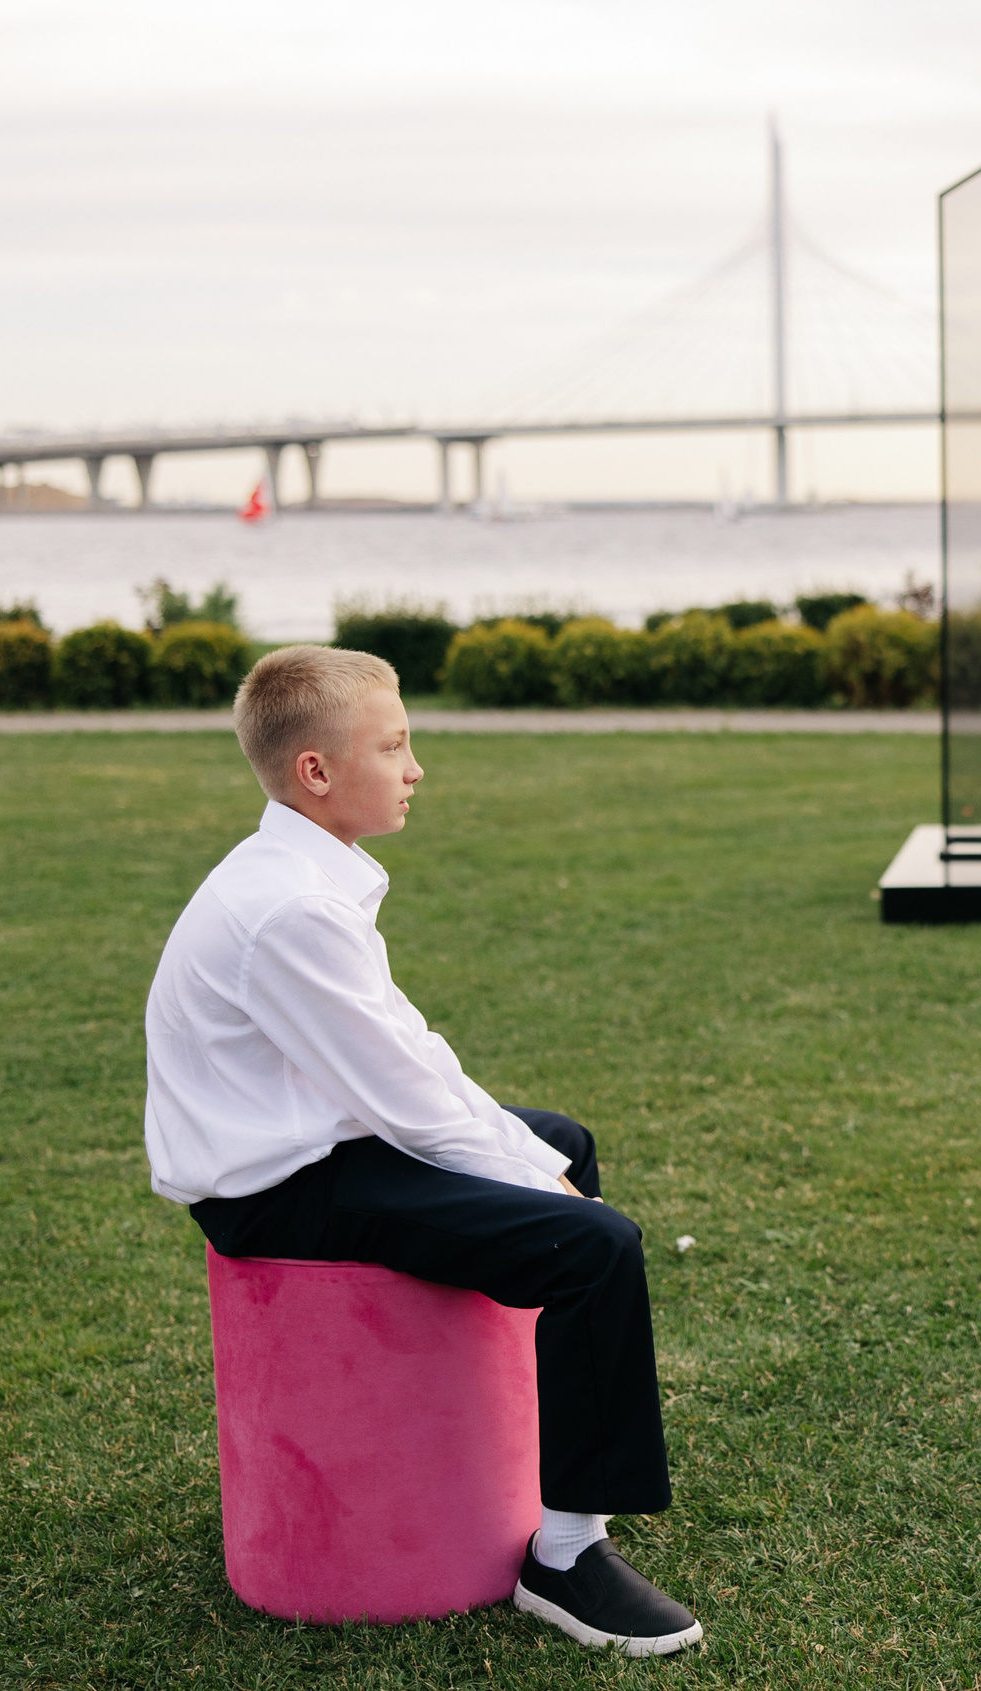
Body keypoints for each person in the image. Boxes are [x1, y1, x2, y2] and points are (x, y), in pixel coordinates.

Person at [143, 646, 701, 1657]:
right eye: (394, 746)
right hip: (277, 1188)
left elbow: (412, 1056)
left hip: (320, 1142)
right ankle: (566, 1558)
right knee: (595, 1245)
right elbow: (410, 1107)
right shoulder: (291, 909)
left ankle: (546, 1466)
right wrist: (549, 1189)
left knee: (561, 1142)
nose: (416, 768)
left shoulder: (303, 874)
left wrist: (537, 1158)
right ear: (317, 771)